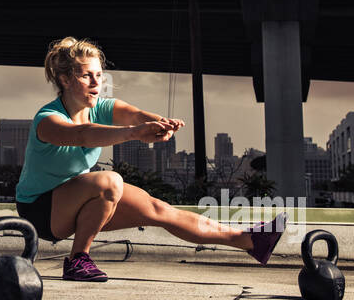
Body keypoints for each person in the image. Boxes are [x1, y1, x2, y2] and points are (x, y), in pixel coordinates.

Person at [15, 36, 286, 282]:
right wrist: (135, 133)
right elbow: (84, 135)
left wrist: (159, 123)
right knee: (110, 181)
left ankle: (250, 241)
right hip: (41, 211)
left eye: (99, 75)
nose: (98, 83)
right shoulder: (48, 120)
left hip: (82, 199)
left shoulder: (101, 108)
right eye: (87, 76)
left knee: (159, 209)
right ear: (65, 80)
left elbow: (134, 115)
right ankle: (78, 261)